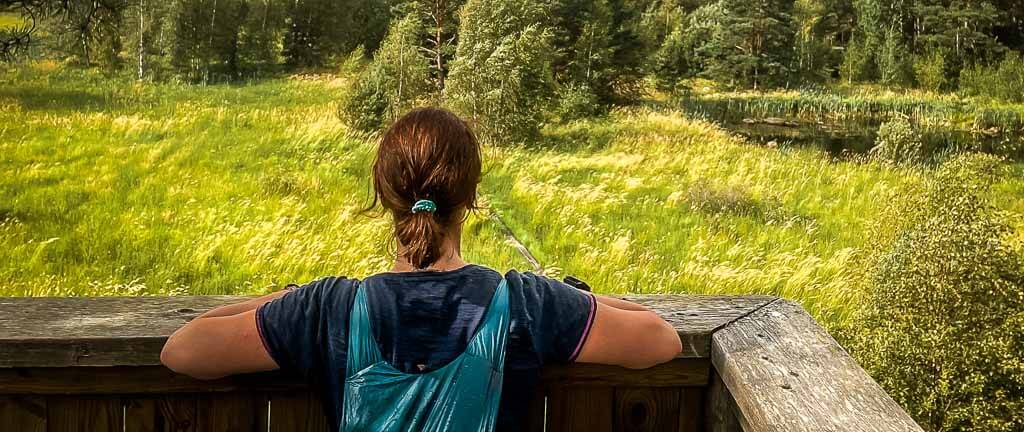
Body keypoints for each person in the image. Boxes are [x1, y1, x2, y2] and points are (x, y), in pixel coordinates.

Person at [161, 107, 682, 431]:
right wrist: (565, 295)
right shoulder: (524, 303)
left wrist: (291, 299)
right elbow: (661, 340)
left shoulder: (330, 308)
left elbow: (182, 350)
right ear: (471, 197)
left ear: (384, 195)